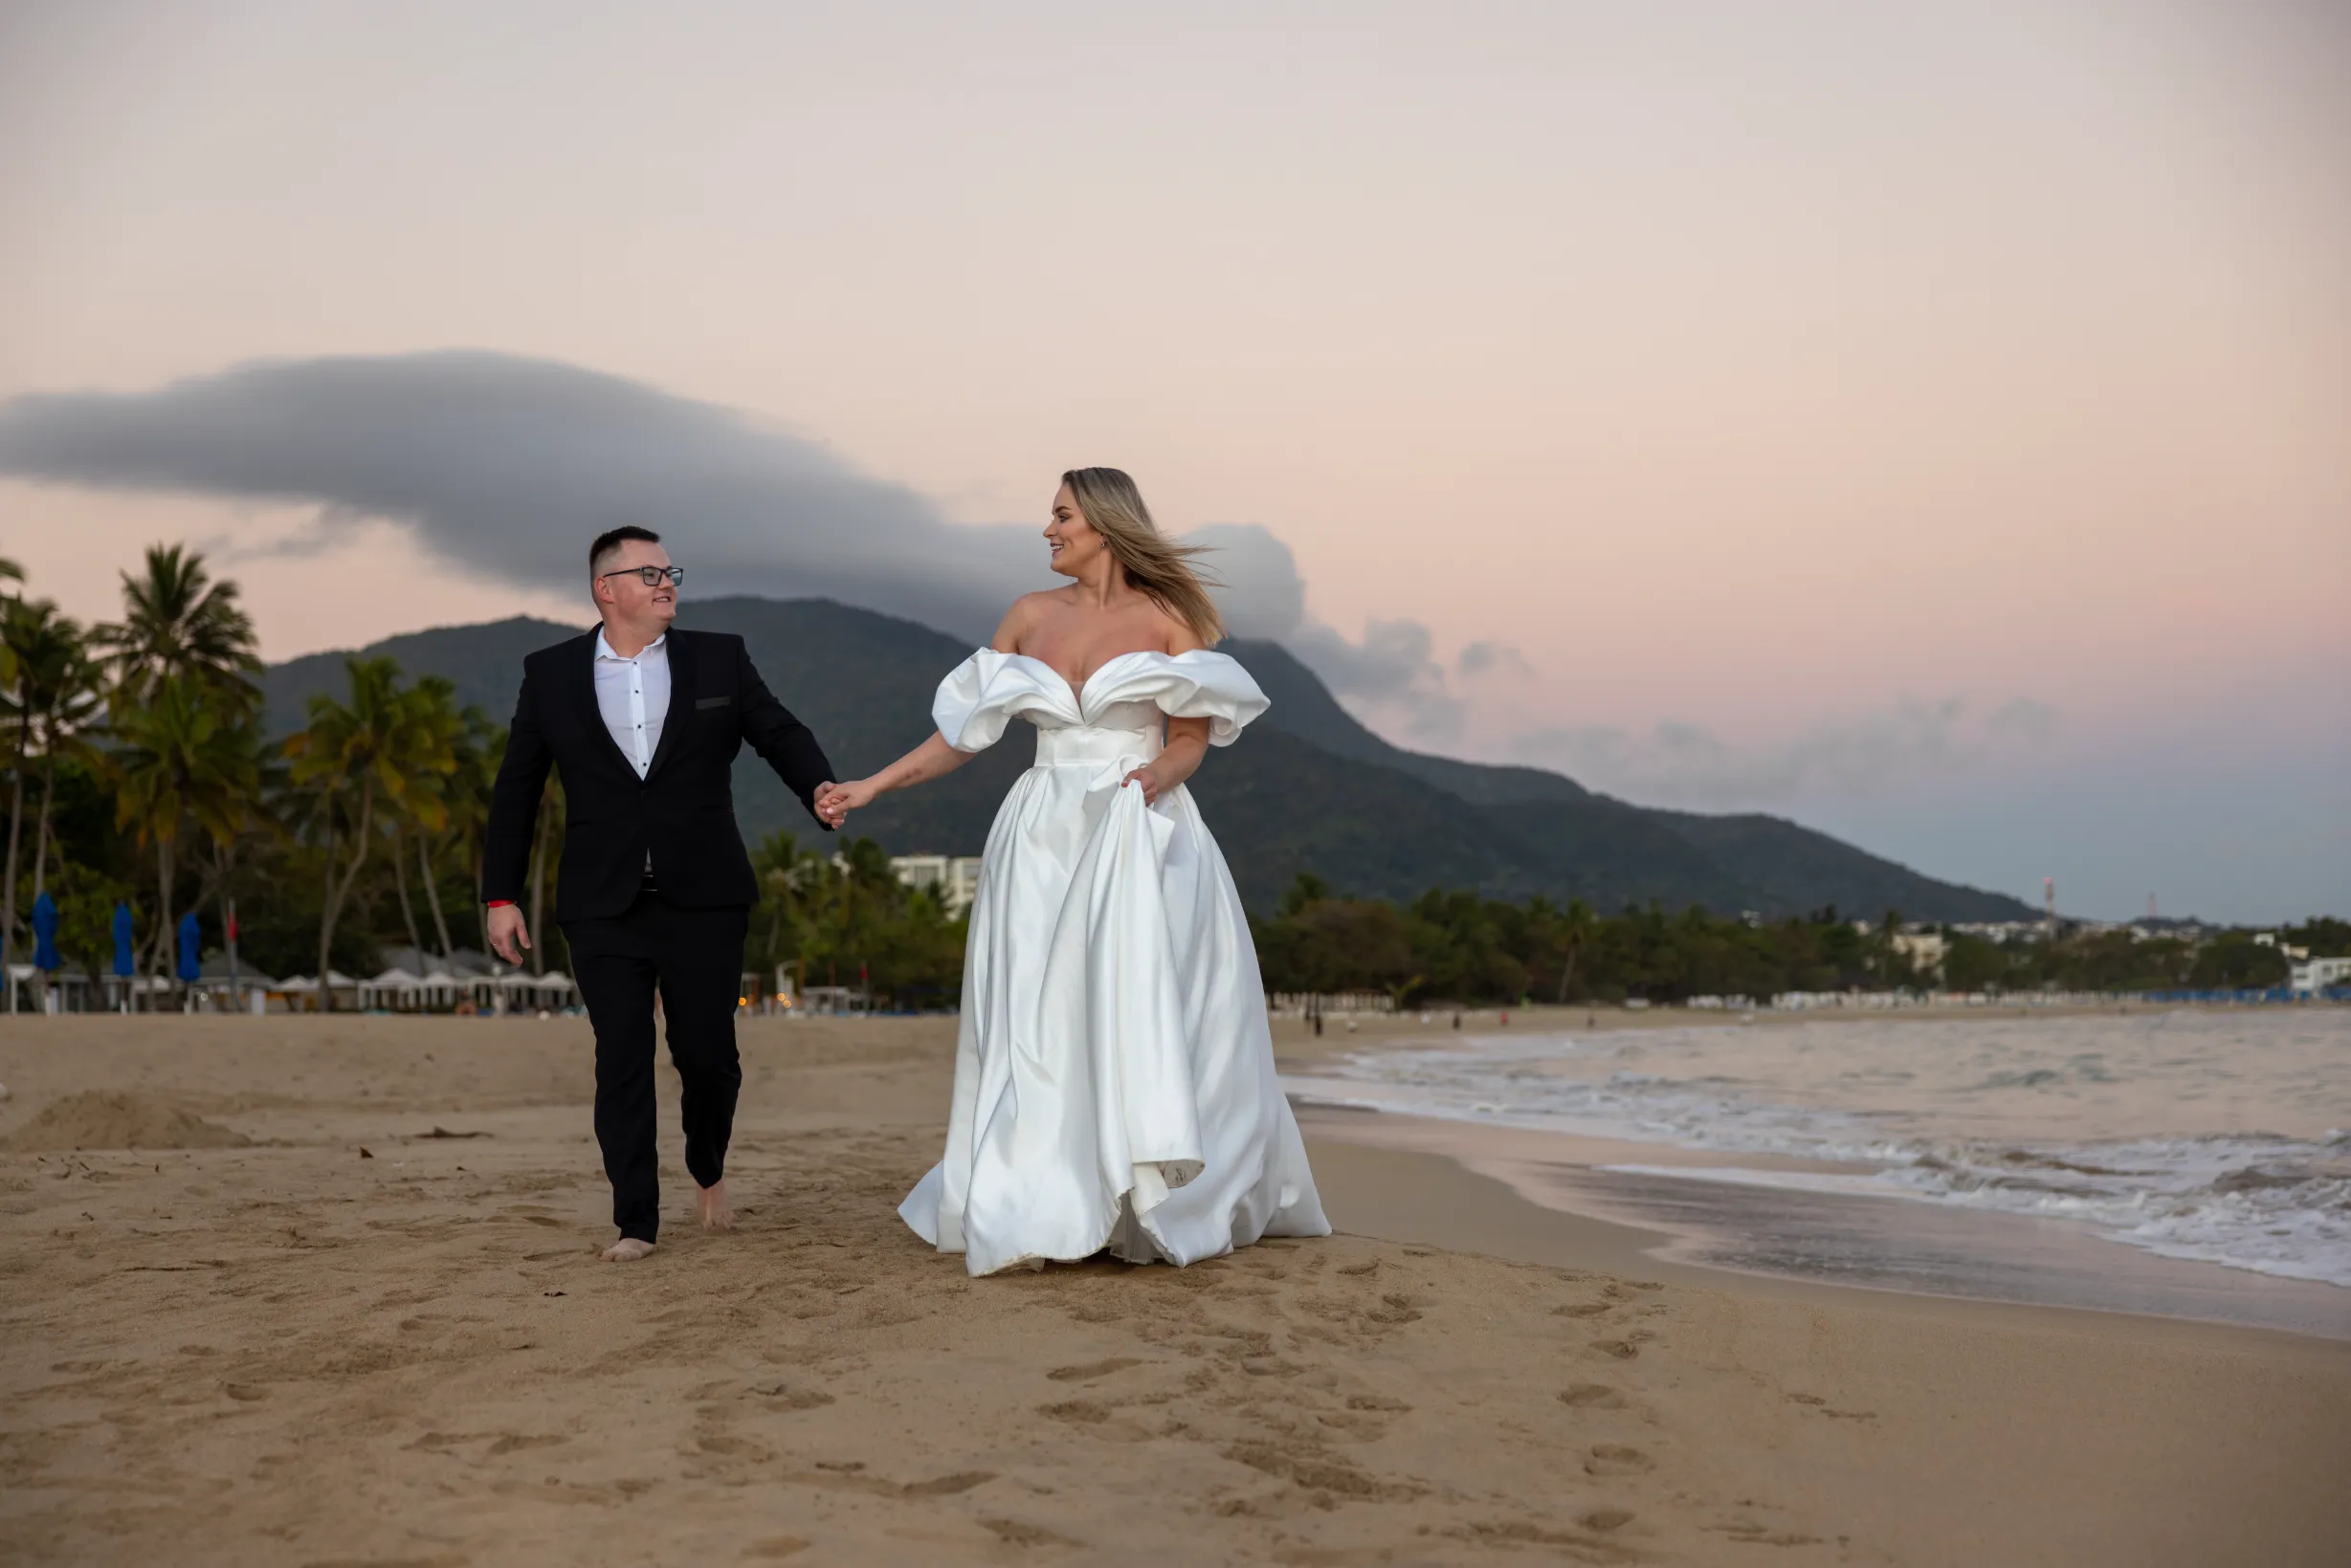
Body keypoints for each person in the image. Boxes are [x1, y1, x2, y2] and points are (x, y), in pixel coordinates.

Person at [816, 468, 1329, 1274]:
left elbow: (1190, 739)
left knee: (1137, 1002)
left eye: (1061, 515)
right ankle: (1040, 1194)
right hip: (1041, 835)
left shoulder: (1168, 620)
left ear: (1103, 524)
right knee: (1035, 1011)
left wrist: (1154, 777)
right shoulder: (1027, 615)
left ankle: (1139, 1200)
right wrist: (872, 785)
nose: (1048, 529)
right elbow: (963, 735)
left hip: (1139, 827)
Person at [481, 526, 837, 1263]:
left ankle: (707, 1164)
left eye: (669, 570)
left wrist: (819, 787)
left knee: (707, 1055)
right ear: (605, 589)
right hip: (601, 899)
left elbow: (777, 731)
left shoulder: (719, 657)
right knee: (621, 1053)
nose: (666, 581)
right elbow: (517, 786)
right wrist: (499, 895)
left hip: (703, 893)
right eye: (648, 573)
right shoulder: (550, 673)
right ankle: (635, 1220)